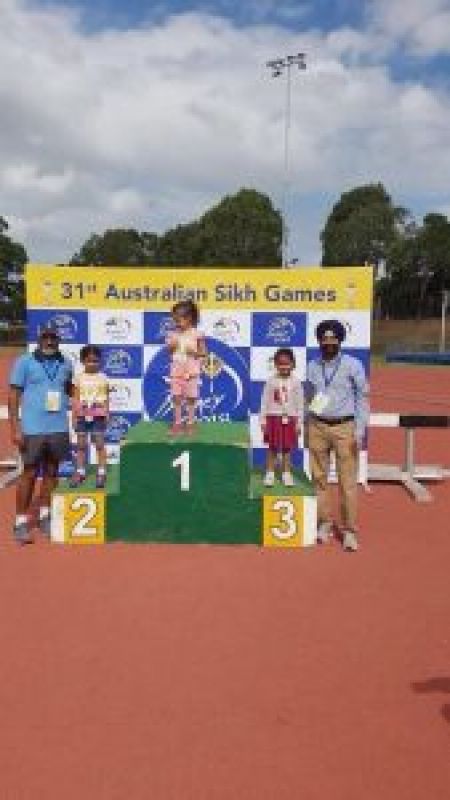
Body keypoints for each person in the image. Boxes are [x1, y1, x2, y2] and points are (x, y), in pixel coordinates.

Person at [305, 319, 369, 552]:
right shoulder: (312, 366)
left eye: (333, 338)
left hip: (345, 429)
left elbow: (362, 398)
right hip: (317, 427)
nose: (328, 342)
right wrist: (307, 423)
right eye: (324, 339)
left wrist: (359, 431)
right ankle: (324, 524)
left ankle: (349, 530)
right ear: (319, 341)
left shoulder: (353, 365)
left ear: (340, 340)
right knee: (319, 479)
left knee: (347, 482)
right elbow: (310, 397)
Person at [8, 323, 73, 544]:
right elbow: (14, 395)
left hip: (58, 427)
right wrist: (15, 428)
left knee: (52, 472)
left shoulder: (66, 362)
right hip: (32, 428)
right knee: (29, 473)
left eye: (53, 337)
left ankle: (45, 516)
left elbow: (69, 389)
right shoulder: (24, 361)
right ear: (39, 338)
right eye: (45, 337)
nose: (49, 341)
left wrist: (94, 396)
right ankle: (20, 522)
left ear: (58, 339)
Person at [260, 347, 303, 487]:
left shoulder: (296, 382)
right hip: (273, 417)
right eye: (280, 364)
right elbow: (264, 401)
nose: (284, 366)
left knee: (286, 448)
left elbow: (300, 404)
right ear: (276, 365)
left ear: (293, 364)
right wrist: (262, 419)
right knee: (272, 447)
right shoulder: (271, 381)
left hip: (290, 418)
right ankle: (270, 472)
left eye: (287, 363)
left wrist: (299, 422)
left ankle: (286, 473)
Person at [70, 345, 109, 489]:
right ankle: (80, 471)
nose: (92, 364)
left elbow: (106, 398)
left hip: (98, 415)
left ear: (100, 361)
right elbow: (75, 398)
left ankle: (102, 471)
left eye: (95, 361)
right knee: (81, 445)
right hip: (81, 414)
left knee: (99, 443)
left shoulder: (103, 377)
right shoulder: (78, 378)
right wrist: (74, 416)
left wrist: (107, 414)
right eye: (89, 361)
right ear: (82, 361)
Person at [166, 300, 206, 434]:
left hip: (191, 372)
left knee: (191, 398)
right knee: (176, 397)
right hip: (176, 371)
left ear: (190, 318)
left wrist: (193, 352)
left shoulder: (197, 334)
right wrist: (172, 345)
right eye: (175, 320)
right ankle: (177, 422)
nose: (176, 323)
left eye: (179, 319)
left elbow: (204, 353)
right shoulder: (172, 334)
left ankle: (190, 422)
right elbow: (170, 351)